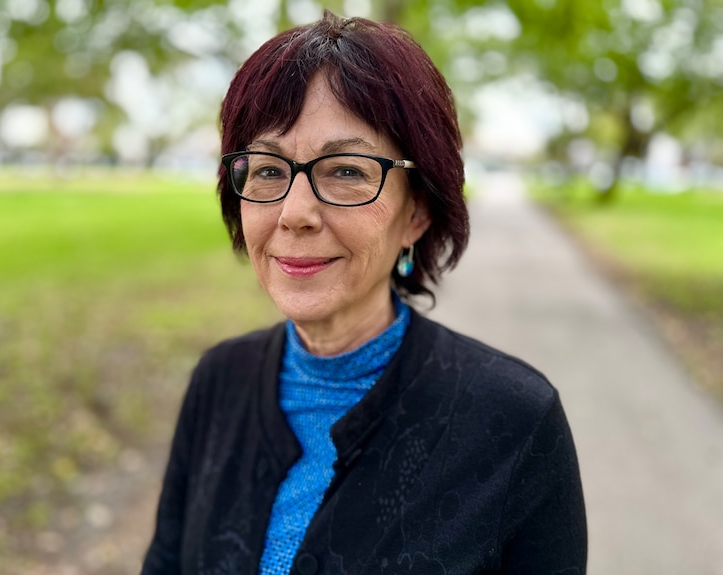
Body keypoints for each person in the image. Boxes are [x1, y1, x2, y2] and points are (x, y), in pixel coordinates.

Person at [141, 11, 586, 575]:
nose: (294, 213)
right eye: (269, 170)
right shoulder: (217, 380)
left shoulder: (515, 420)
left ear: (417, 213)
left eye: (346, 171)